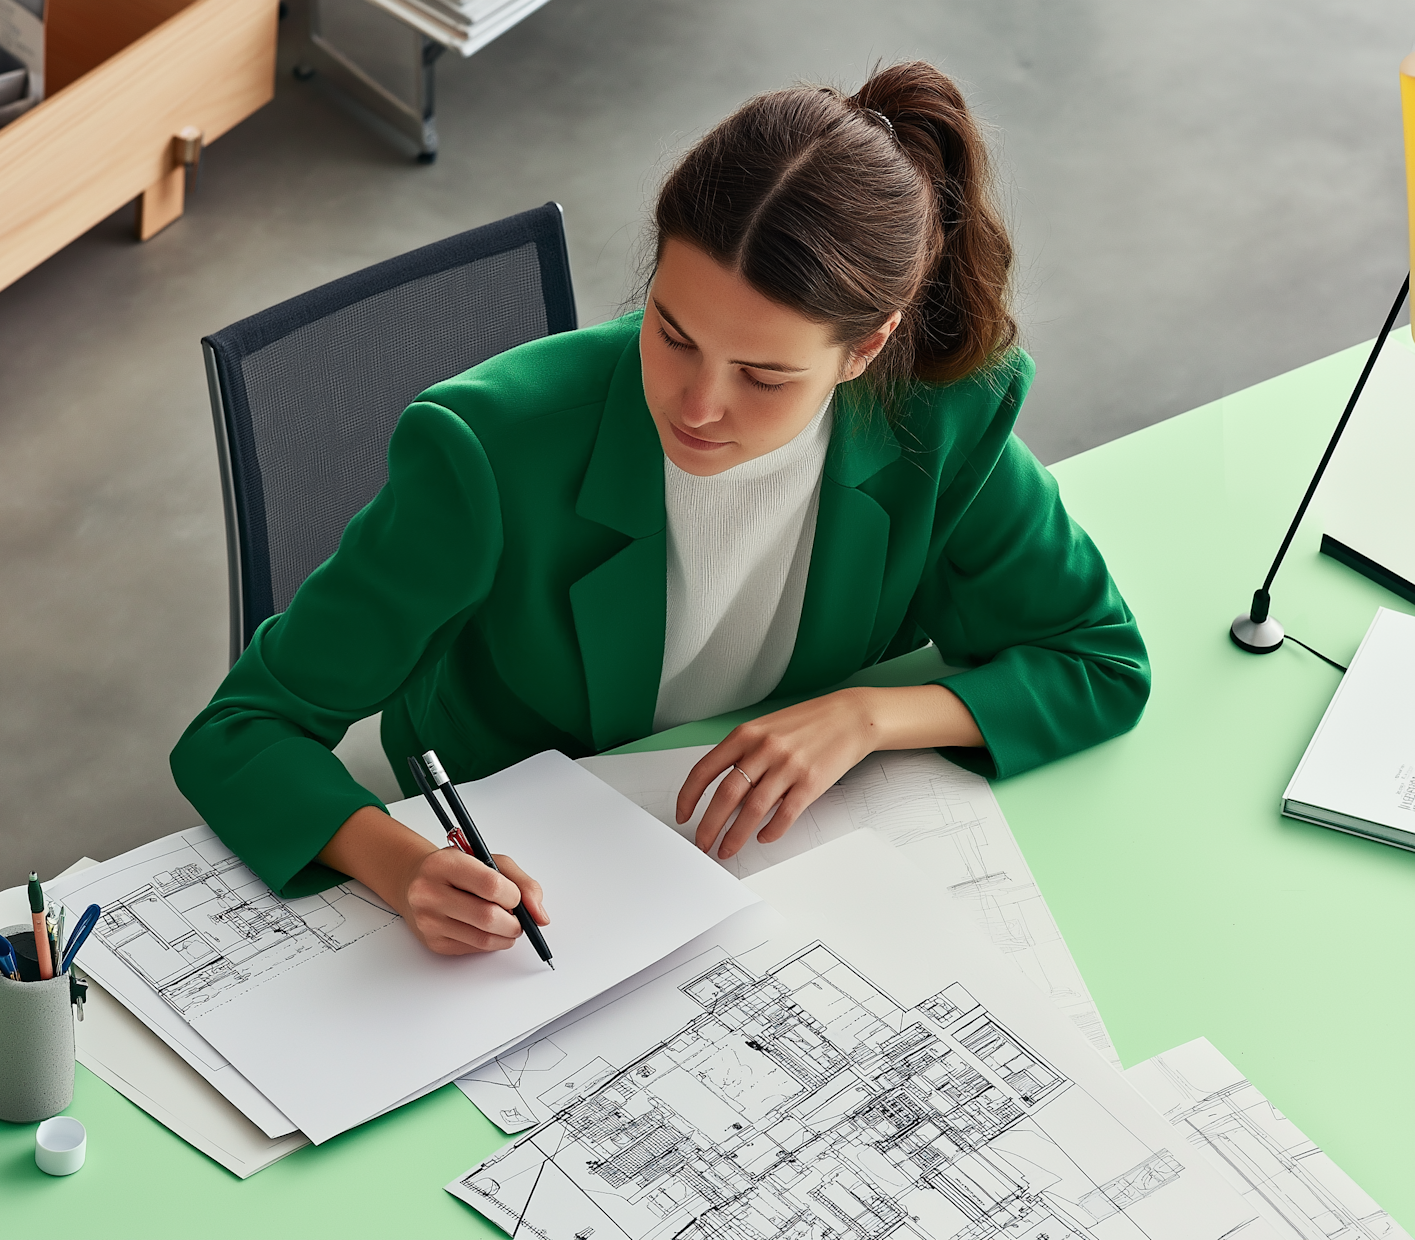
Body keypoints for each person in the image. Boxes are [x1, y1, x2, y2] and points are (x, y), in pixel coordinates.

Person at [171, 61, 1149, 960]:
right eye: (673, 334)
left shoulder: (941, 419)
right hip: (538, 868)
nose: (697, 405)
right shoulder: (484, 452)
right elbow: (243, 728)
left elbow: (1098, 661)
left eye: (764, 373)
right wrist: (402, 864)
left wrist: (865, 716)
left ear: (867, 348)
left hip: (769, 884)